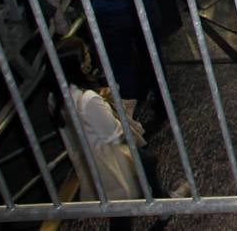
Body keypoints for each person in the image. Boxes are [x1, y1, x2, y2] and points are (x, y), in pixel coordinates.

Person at [46, 37, 183, 224]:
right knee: (122, 208)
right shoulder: (88, 99)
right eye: (85, 55)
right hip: (109, 154)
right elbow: (114, 132)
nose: (89, 58)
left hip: (91, 155)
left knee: (148, 164)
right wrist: (108, 105)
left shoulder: (54, 98)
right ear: (79, 65)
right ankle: (164, 205)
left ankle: (164, 203)